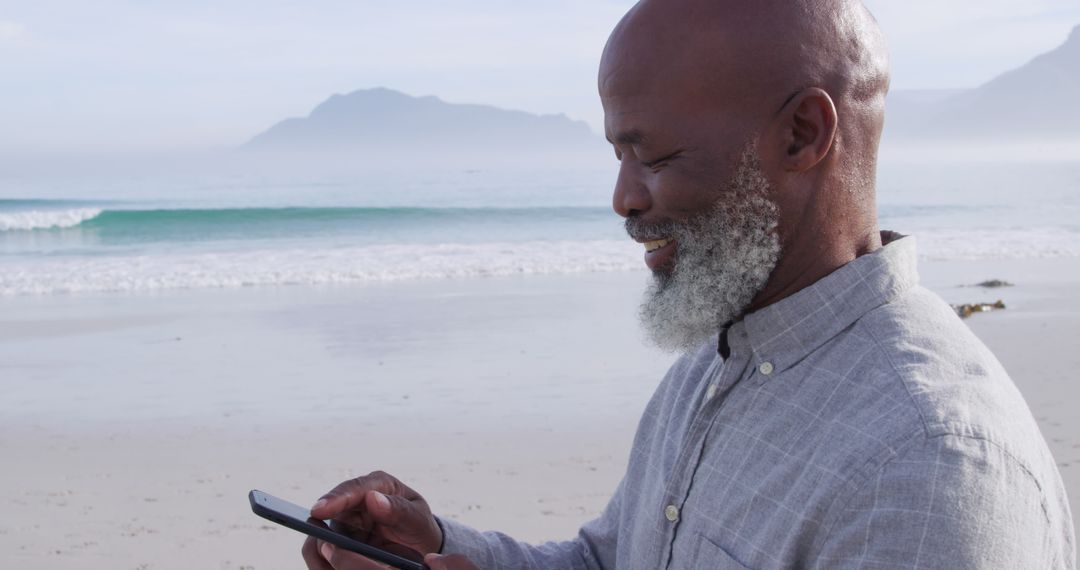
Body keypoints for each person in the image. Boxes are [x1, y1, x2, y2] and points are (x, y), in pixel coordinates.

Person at [302, 0, 1076, 568]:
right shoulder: (716, 363)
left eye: (656, 157)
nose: (625, 199)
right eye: (617, 156)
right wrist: (435, 546)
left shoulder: (928, 467)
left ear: (803, 134)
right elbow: (609, 560)